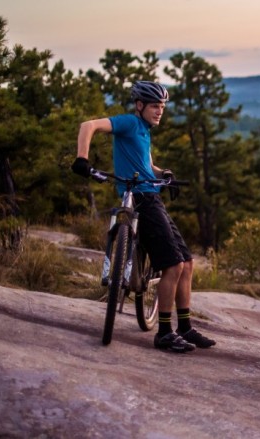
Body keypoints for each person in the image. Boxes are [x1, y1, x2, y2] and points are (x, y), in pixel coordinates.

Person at [71, 80, 215, 353]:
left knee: (187, 262)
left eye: (162, 107)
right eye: (154, 106)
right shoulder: (128, 123)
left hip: (153, 197)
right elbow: (88, 126)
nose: (160, 111)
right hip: (141, 199)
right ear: (139, 105)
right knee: (173, 265)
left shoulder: (145, 131)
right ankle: (164, 333)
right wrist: (82, 159)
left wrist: (164, 174)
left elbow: (147, 164)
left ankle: (185, 327)